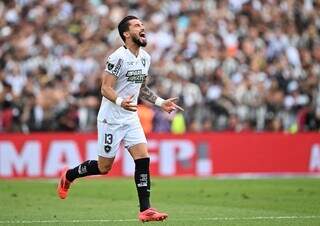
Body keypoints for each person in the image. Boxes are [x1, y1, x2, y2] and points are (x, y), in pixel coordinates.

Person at [56, 15, 183, 222]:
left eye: (142, 24)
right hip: (111, 119)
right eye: (137, 25)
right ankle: (69, 175)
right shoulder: (117, 57)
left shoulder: (145, 58)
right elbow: (105, 88)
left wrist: (160, 103)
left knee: (143, 159)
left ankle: (146, 209)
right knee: (104, 167)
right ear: (126, 33)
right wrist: (120, 102)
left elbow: (141, 88)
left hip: (130, 117)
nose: (142, 27)